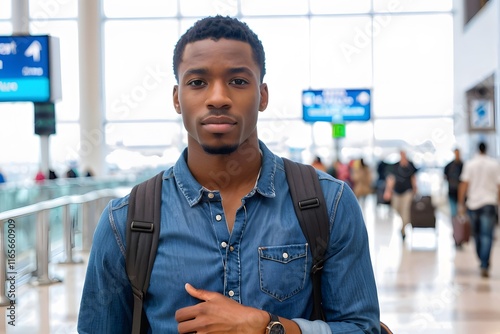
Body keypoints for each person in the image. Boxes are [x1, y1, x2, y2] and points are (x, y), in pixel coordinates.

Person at [78, 15, 380, 333]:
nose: (218, 98)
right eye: (197, 82)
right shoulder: (126, 222)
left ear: (262, 95)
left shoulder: (326, 203)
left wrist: (270, 327)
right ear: (177, 98)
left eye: (238, 81)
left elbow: (363, 328)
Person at [458, 142, 500, 278]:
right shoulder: (494, 164)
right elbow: (498, 185)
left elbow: (464, 184)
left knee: (476, 235)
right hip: (489, 202)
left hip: (473, 204)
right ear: (486, 149)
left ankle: (482, 260)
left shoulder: (470, 164)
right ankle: (484, 263)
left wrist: (460, 203)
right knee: (487, 235)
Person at [383, 150, 418, 241]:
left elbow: (413, 178)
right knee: (396, 209)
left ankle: (403, 230)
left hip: (407, 192)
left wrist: (415, 189)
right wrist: (388, 191)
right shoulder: (395, 166)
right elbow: (391, 179)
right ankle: (402, 224)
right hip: (396, 192)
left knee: (405, 212)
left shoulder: (410, 166)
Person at [443, 148, 463, 218]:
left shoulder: (463, 165)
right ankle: (455, 226)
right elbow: (445, 176)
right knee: (453, 211)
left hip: (461, 191)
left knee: (461, 211)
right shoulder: (449, 166)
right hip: (452, 190)